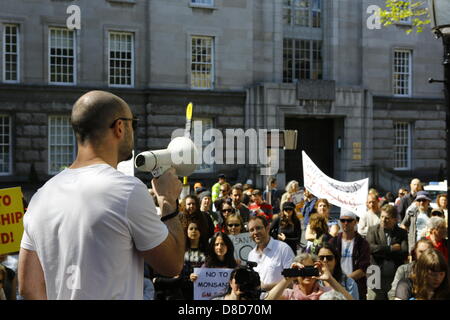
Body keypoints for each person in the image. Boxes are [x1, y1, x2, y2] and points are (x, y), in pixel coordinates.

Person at [18, 90, 184, 300]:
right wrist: (168, 201)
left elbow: (28, 287)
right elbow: (172, 265)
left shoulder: (41, 197)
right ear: (120, 127)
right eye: (134, 123)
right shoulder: (127, 190)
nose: (134, 130)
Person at [366, 204, 408, 300]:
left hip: (395, 275)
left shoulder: (402, 233)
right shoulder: (373, 230)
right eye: (382, 217)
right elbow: (370, 248)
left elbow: (404, 252)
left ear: (394, 219)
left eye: (387, 218)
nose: (383, 220)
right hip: (374, 273)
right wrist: (390, 249)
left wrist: (380, 250)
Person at [329, 210, 371, 299]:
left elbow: (363, 269)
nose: (345, 223)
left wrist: (345, 280)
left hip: (356, 285)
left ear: (355, 222)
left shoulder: (362, 243)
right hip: (335, 285)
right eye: (343, 220)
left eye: (349, 221)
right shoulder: (333, 242)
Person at [276, 252, 354, 300]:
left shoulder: (326, 294)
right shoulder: (288, 295)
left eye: (310, 269)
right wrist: (288, 278)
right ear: (296, 272)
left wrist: (330, 279)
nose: (307, 274)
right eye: (303, 270)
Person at [247, 216, 295, 291]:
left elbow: (292, 282)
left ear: (267, 228)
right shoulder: (251, 255)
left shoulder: (283, 249)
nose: (255, 232)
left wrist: (265, 287)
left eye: (258, 228)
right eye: (251, 230)